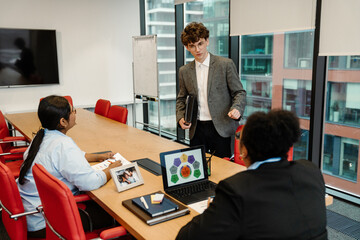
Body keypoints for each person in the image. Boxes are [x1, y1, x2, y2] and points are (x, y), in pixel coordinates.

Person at [176, 109, 327, 240]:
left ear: (244, 151)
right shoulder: (311, 171)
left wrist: (213, 212)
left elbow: (186, 237)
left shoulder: (235, 190)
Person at [17, 95, 123, 238]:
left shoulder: (42, 135)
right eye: (73, 111)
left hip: (33, 213)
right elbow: (91, 182)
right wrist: (111, 170)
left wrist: (98, 156)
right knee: (118, 212)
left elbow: (71, 157)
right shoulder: (63, 145)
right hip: (48, 222)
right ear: (63, 121)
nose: (75, 113)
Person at [176, 22, 246, 158]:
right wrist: (180, 117)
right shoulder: (184, 71)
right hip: (196, 129)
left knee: (222, 171)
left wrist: (237, 108)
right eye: (192, 46)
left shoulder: (225, 65)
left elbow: (239, 92)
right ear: (186, 47)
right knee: (197, 168)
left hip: (221, 128)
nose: (197, 49)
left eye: (200, 44)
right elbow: (181, 98)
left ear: (207, 41)